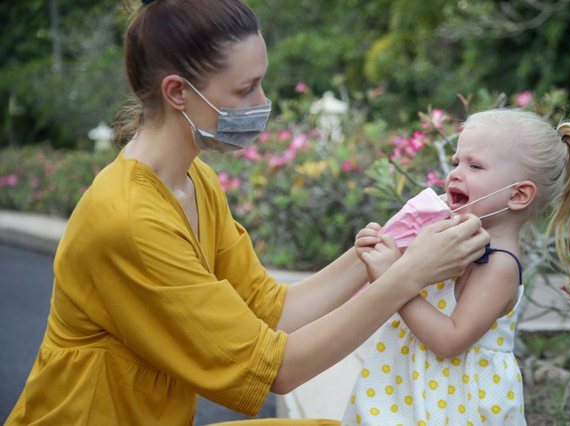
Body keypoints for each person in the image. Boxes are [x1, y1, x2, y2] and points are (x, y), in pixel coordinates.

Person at [5, 1, 490, 425]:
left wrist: (397, 239)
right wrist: (407, 276)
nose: (263, 105)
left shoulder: (194, 181)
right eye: (245, 91)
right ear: (178, 93)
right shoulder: (128, 221)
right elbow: (276, 369)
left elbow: (271, 311)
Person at [342, 109, 570, 425]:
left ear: (518, 194)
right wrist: (386, 246)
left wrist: (395, 279)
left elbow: (450, 341)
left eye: (475, 166)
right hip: (411, 392)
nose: (455, 173)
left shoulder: (499, 264)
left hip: (456, 404)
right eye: (456, 162)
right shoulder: (451, 238)